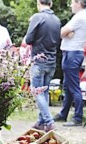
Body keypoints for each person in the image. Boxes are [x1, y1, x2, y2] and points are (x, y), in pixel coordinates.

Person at [25, 0, 61, 131]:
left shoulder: (37, 17)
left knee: (36, 91)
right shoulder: (57, 20)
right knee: (44, 91)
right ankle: (40, 122)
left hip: (39, 61)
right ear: (51, 4)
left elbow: (28, 39)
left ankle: (49, 121)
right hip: (51, 61)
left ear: (38, 3)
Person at [54, 0, 86, 127]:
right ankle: (64, 114)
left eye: (72, 2)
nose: (70, 5)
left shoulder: (79, 17)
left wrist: (67, 33)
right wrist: (67, 33)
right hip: (71, 53)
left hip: (73, 53)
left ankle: (77, 118)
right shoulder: (80, 16)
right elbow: (64, 33)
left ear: (79, 3)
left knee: (73, 87)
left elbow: (61, 32)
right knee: (67, 87)